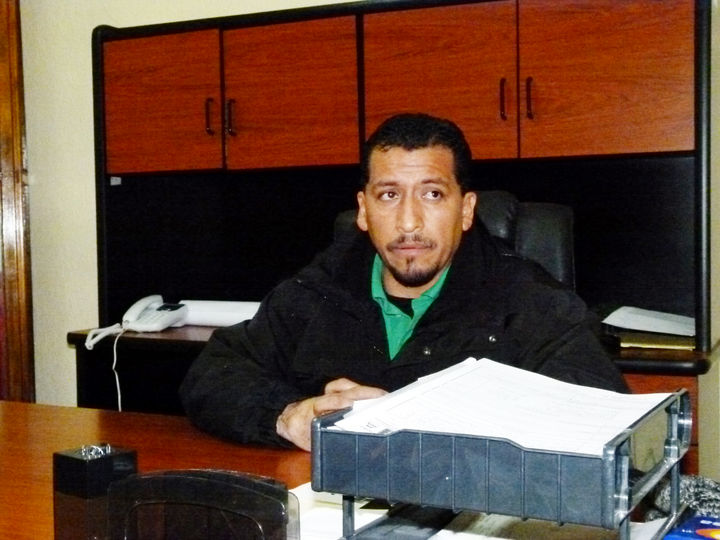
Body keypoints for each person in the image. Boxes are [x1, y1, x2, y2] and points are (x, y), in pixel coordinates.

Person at [179, 113, 628, 451]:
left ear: (466, 210)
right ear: (363, 210)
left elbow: (603, 420)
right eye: (389, 195)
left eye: (432, 194)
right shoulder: (317, 291)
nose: (409, 222)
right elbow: (214, 373)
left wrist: (429, 420)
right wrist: (288, 415)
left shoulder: (532, 304)